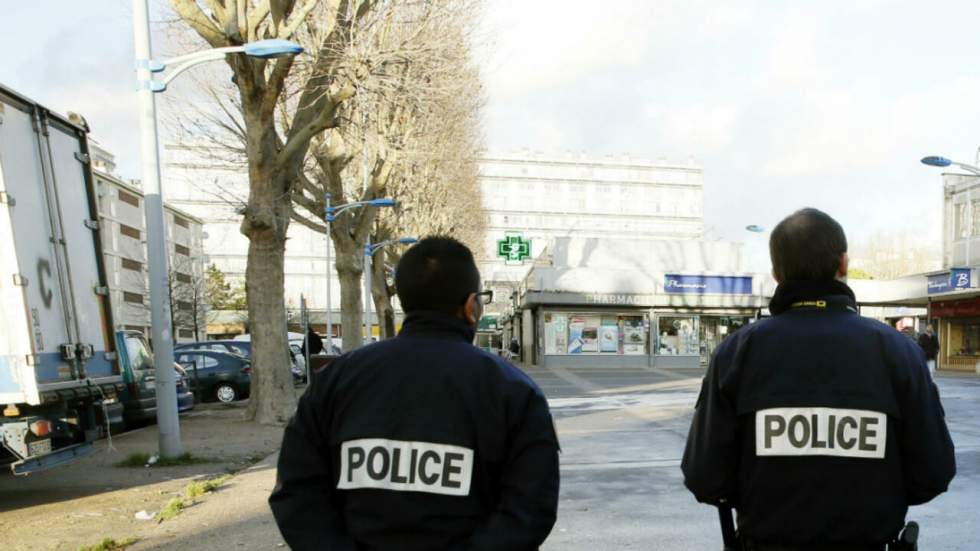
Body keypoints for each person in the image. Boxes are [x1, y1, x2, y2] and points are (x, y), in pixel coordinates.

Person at [681, 208, 956, 550]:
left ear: (777, 273)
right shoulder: (898, 352)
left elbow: (705, 478)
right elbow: (933, 473)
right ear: (843, 264)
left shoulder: (737, 353)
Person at [269, 236, 560, 550]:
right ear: (470, 306)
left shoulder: (337, 380)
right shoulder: (512, 389)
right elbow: (530, 507)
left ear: (404, 300)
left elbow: (297, 489)